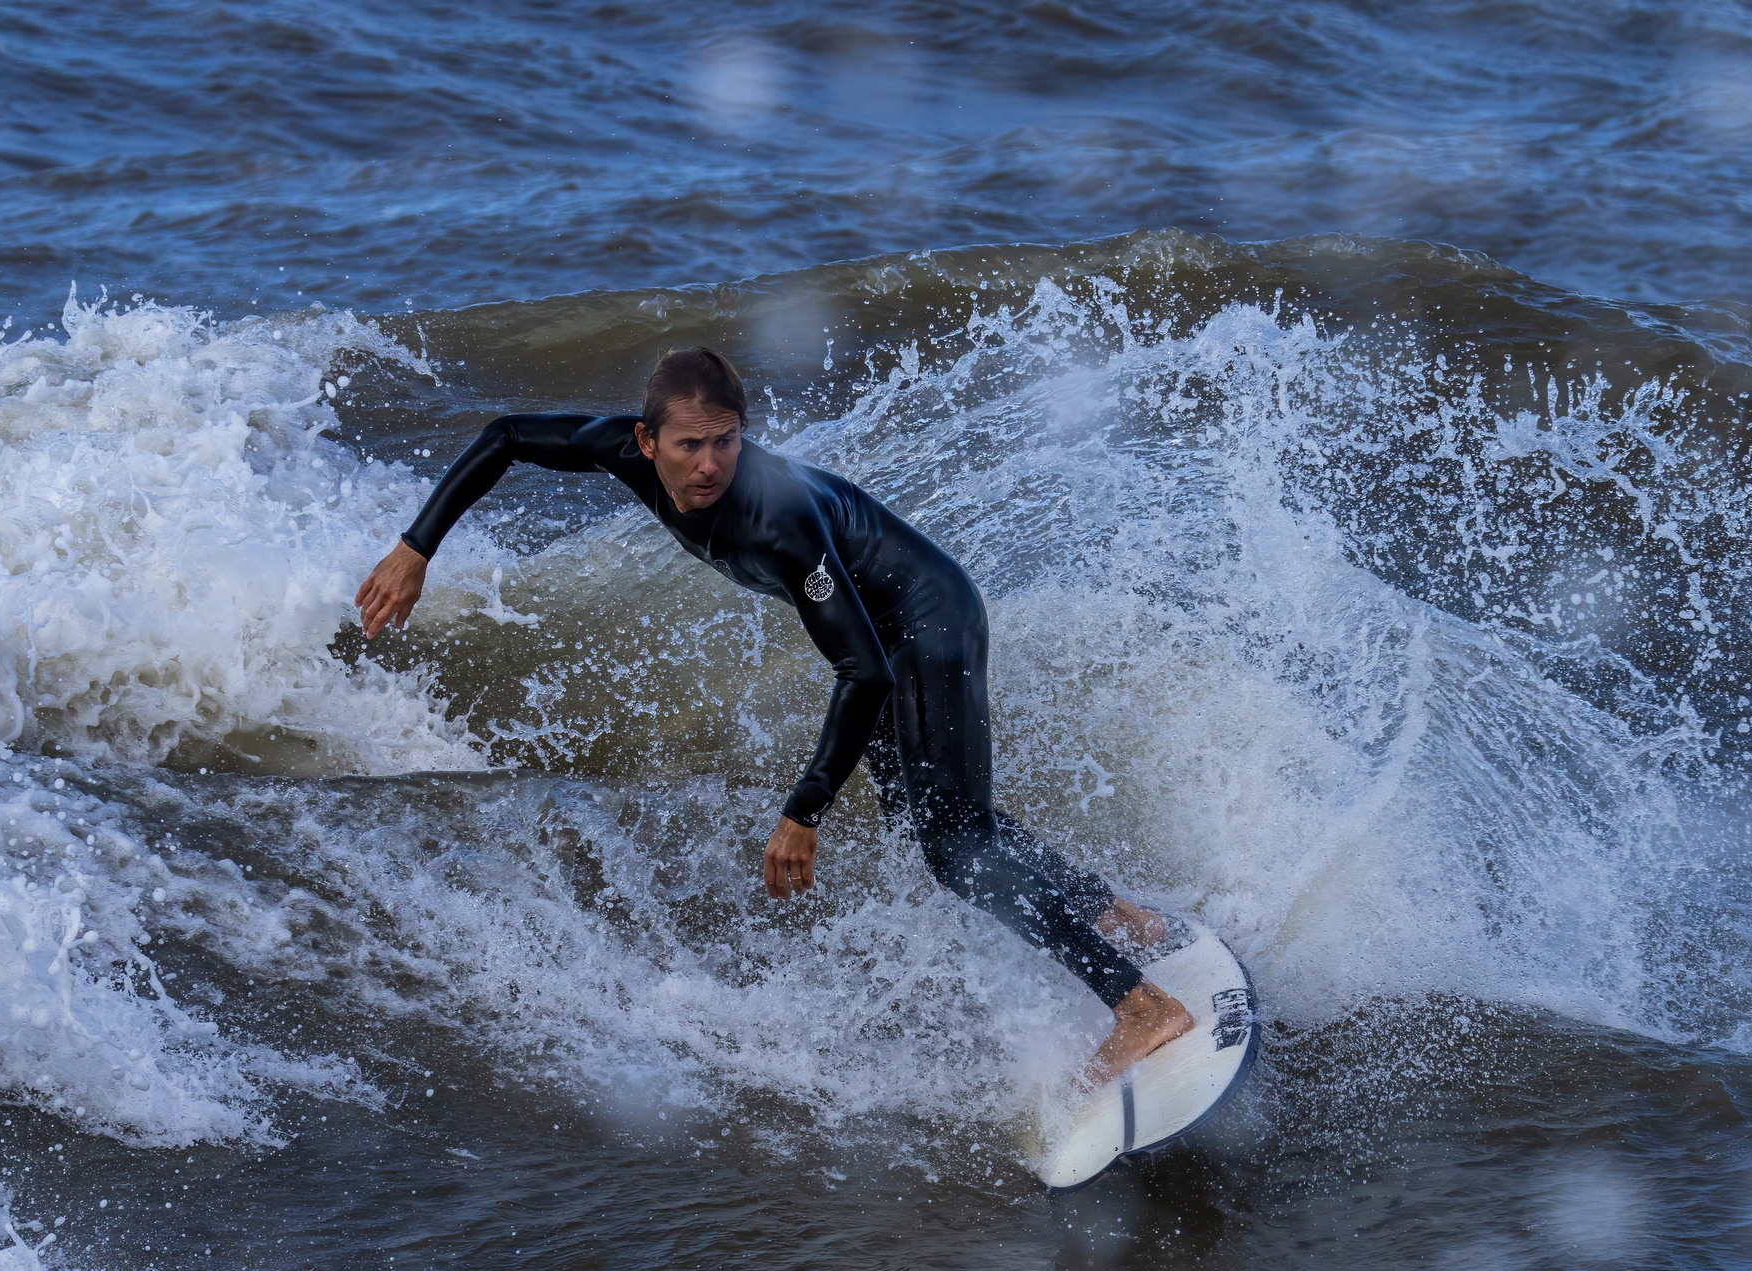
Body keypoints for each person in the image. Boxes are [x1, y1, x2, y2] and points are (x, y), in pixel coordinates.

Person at [355, 348, 1193, 1082]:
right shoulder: (619, 450)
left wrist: (804, 812)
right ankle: (1119, 915)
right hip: (891, 632)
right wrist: (415, 546)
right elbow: (505, 435)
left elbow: (861, 670)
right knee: (935, 818)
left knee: (953, 849)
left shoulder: (778, 518)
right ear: (645, 443)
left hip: (927, 625)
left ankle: (1139, 1005)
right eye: (689, 445)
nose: (711, 463)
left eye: (727, 440)